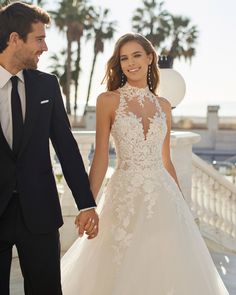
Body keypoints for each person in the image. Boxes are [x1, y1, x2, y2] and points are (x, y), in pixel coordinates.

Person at [61, 32, 230, 294]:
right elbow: (102, 158)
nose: (131, 63)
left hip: (164, 195)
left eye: (137, 55)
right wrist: (88, 205)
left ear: (150, 58)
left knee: (164, 266)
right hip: (124, 195)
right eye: (124, 58)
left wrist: (183, 206)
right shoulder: (108, 100)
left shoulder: (164, 105)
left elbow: (166, 161)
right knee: (120, 263)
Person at [0, 2, 99, 295]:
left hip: (40, 214)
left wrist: (86, 203)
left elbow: (66, 147)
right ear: (15, 39)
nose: (44, 47)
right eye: (39, 39)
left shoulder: (47, 85)